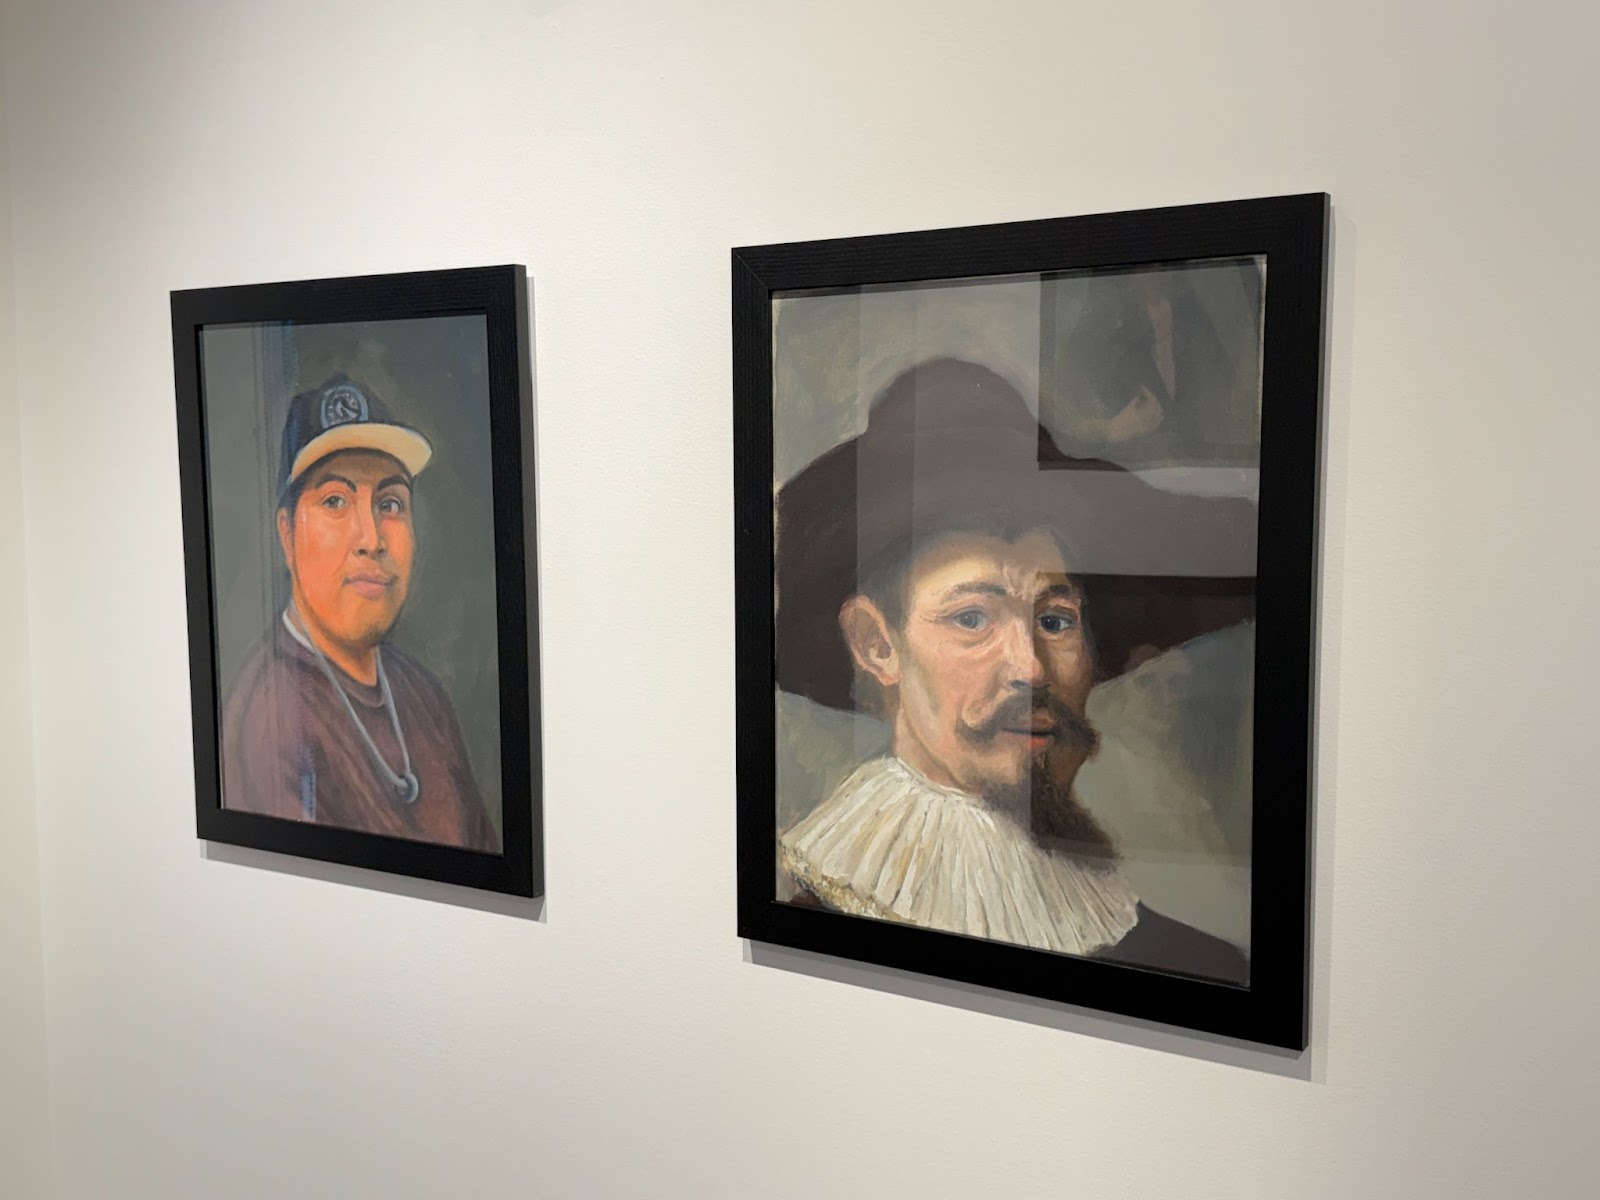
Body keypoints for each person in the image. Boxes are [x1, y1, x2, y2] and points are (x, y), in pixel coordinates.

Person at [774, 359, 1252, 982]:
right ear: (876, 644)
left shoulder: (1193, 964)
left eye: (1055, 620)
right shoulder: (808, 935)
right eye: (972, 618)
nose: (1030, 668)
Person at [220, 374, 499, 852]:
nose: (372, 538)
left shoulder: (422, 694)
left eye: (390, 503)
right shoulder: (272, 718)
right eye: (335, 501)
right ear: (287, 535)